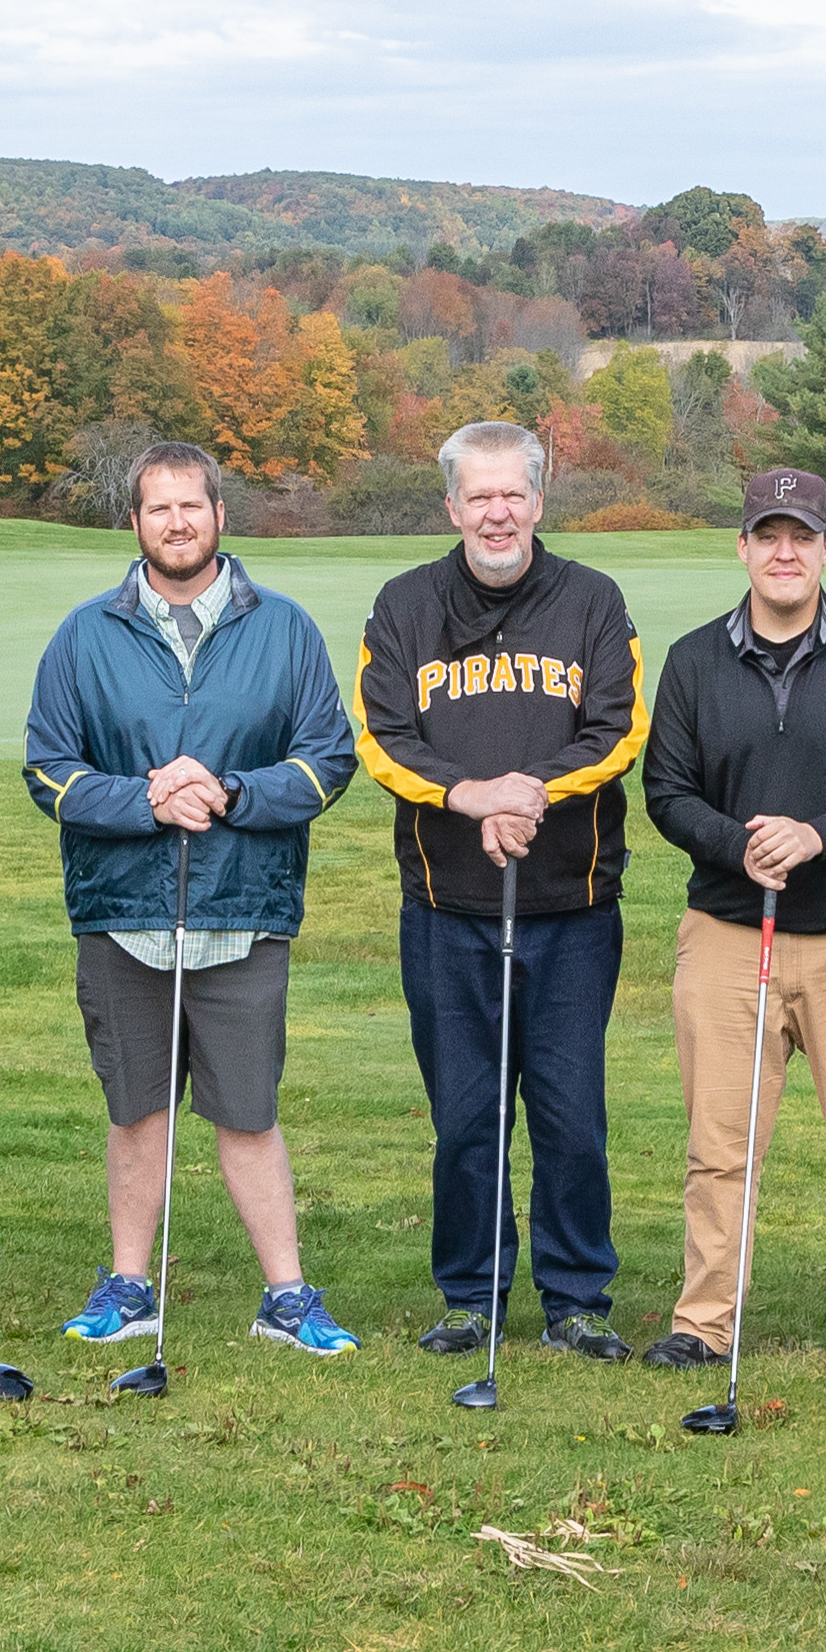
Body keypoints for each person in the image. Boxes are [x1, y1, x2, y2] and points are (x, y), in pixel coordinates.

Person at [21, 441, 361, 1357]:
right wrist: (146, 798)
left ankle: (286, 1296)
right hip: (122, 914)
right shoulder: (85, 633)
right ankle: (129, 1287)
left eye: (192, 506)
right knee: (136, 1111)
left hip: (242, 910)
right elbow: (48, 771)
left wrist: (230, 791)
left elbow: (330, 760)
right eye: (158, 508)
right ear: (133, 522)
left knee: (248, 1113)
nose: (177, 522)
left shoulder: (284, 629)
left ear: (219, 514)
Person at [354, 420, 649, 1364]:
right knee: (466, 1114)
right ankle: (470, 1295)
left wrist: (532, 794)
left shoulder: (595, 602)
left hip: (571, 904)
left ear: (537, 500)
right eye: (478, 495)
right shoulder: (402, 606)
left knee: (570, 1113)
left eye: (512, 493)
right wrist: (469, 794)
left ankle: (575, 1297)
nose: (496, 511)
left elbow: (619, 727)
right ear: (451, 506)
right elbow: (380, 735)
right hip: (447, 907)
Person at [640, 468, 826, 1386]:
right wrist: (740, 847)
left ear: (825, 548)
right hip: (730, 931)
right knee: (719, 1144)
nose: (783, 551)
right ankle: (704, 1321)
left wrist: (815, 836)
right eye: (767, 534)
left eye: (800, 535)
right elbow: (665, 790)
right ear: (741, 548)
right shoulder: (693, 660)